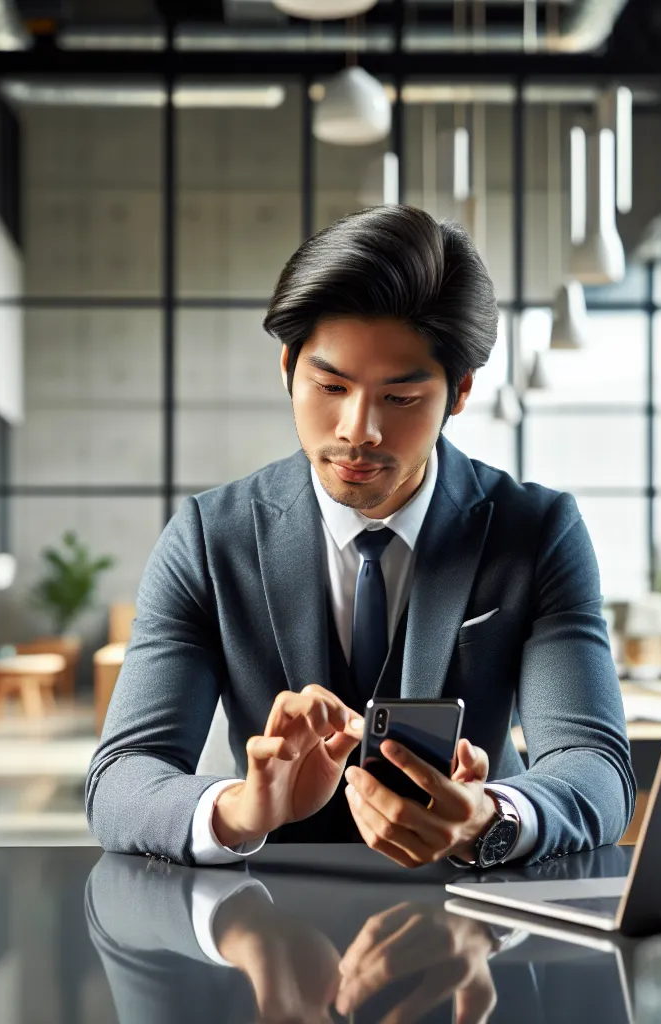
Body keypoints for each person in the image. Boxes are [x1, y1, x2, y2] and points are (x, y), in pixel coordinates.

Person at [84, 204, 633, 869]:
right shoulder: (209, 538)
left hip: (473, 919)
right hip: (270, 920)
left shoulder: (536, 531)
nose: (358, 429)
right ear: (287, 367)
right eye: (330, 385)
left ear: (458, 392)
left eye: (400, 399)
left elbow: (595, 769)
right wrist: (238, 810)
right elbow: (120, 778)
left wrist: (492, 818)